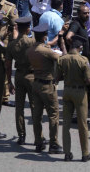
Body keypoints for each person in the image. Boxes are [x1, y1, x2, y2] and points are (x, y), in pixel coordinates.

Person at [27, 22, 64, 154]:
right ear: (44, 36)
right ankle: (53, 143)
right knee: (53, 115)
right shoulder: (46, 51)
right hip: (47, 85)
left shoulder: (31, 50)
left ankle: (38, 142)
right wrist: (62, 43)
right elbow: (61, 57)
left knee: (36, 115)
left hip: (36, 83)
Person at [58, 34, 90, 162]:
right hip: (80, 92)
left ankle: (67, 153)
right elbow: (88, 80)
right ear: (80, 47)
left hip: (67, 90)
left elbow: (57, 77)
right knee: (82, 124)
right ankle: (85, 153)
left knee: (66, 123)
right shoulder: (83, 60)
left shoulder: (63, 59)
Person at [4, 16, 36, 145]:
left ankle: (21, 135)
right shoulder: (32, 42)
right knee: (35, 107)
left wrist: (9, 82)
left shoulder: (11, 45)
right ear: (28, 28)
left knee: (19, 107)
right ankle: (38, 136)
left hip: (18, 76)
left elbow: (7, 65)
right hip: (32, 76)